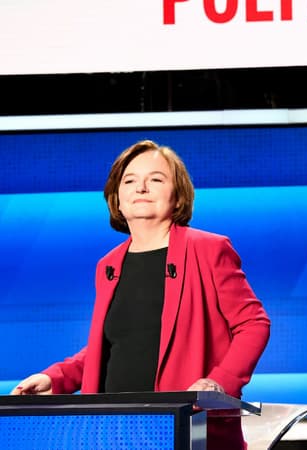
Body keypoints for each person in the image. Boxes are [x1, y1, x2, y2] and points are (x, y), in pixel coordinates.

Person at [10, 140, 271, 450]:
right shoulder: (108, 265)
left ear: (178, 197)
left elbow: (254, 324)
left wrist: (219, 382)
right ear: (117, 200)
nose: (141, 188)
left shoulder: (208, 249)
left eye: (156, 179)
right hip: (115, 430)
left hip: (186, 429)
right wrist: (57, 378)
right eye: (130, 181)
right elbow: (115, 345)